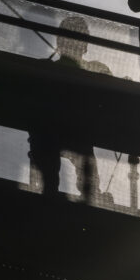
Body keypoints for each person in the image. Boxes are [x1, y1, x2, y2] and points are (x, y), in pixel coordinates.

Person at [27, 15, 113, 203]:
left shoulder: (45, 68)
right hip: (77, 133)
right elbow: (111, 98)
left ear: (59, 41)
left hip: (49, 134)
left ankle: (48, 192)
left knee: (48, 159)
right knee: (85, 163)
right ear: (85, 44)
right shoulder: (96, 69)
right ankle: (89, 197)